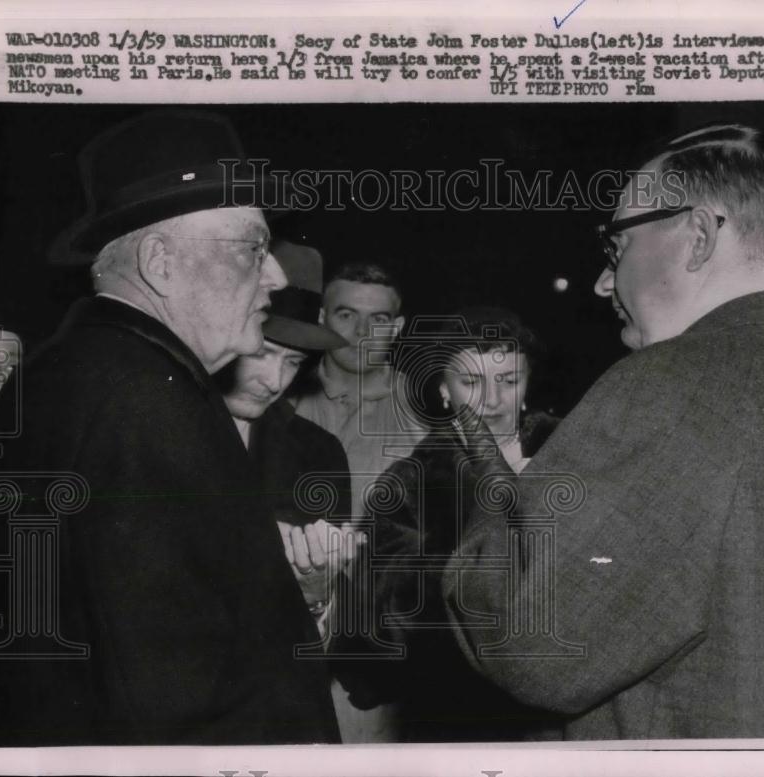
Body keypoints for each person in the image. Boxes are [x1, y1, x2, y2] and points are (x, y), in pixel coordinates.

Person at [442, 124, 764, 739]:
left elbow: (532, 643)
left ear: (698, 238)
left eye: (615, 245)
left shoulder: (666, 387)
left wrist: (499, 496)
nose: (604, 282)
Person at [0, 110, 340, 745]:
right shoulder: (142, 401)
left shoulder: (85, 372)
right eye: (253, 248)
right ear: (161, 262)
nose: (275, 276)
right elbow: (173, 701)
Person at [364, 307, 560, 741]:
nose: (492, 401)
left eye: (509, 381)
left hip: (563, 708)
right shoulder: (409, 483)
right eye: (471, 383)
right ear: (443, 390)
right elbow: (391, 614)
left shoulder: (572, 456)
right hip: (460, 709)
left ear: (527, 387)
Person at [291, 262, 426, 742]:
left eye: (379, 319)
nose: (362, 332)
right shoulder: (278, 399)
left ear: (399, 327)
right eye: (347, 315)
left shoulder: (427, 412)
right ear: (323, 315)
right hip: (280, 644)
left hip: (376, 660)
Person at [217, 239, 357, 626]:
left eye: (293, 362)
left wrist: (316, 597)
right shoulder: (157, 424)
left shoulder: (319, 452)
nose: (274, 382)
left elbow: (325, 642)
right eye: (261, 354)